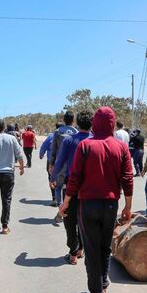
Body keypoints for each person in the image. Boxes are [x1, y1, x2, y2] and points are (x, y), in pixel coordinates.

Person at [60, 107, 133, 293]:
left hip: (88, 204)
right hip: (111, 205)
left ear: (95, 123)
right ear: (112, 123)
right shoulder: (121, 147)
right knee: (104, 247)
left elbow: (74, 178)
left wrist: (66, 202)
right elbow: (127, 178)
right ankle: (103, 284)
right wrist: (128, 206)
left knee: (91, 250)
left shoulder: (85, 146)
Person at [51, 111, 93, 264]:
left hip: (71, 184)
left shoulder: (69, 141)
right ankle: (81, 248)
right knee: (84, 219)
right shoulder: (95, 141)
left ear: (77, 123)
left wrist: (53, 177)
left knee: (69, 219)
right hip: (89, 186)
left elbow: (60, 161)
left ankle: (73, 252)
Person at [49, 112, 77, 207]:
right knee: (71, 187)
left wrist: (51, 164)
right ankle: (69, 206)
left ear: (64, 120)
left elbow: (53, 150)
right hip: (72, 164)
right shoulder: (76, 132)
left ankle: (60, 206)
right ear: (73, 120)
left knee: (58, 187)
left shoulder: (57, 131)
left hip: (60, 163)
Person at [40, 123, 61, 204]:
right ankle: (60, 198)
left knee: (51, 179)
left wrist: (41, 154)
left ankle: (54, 198)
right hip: (62, 162)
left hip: (51, 162)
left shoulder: (51, 136)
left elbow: (43, 146)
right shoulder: (69, 136)